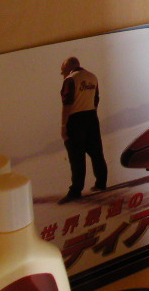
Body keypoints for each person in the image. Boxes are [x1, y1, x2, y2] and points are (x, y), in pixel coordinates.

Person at [59, 56, 108, 203]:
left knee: (77, 158)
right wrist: (91, 113)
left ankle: (76, 190)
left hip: (75, 120)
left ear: (69, 67)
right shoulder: (92, 77)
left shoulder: (70, 79)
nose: (62, 73)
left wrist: (63, 125)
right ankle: (101, 183)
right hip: (91, 117)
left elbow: (67, 104)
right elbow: (96, 99)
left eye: (63, 70)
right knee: (97, 153)